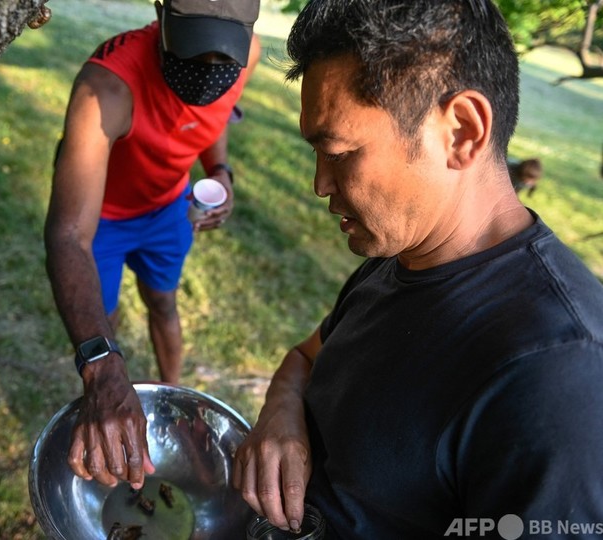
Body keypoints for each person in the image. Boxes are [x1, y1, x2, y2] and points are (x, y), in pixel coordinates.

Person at [233, 1, 603, 538]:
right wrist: (281, 413)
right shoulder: (401, 256)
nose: (320, 185)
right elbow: (305, 358)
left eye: (337, 153)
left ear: (461, 131)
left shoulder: (557, 374)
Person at [44, 0, 260, 489]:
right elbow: (67, 233)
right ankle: (103, 416)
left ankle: (175, 397)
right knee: (107, 322)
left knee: (163, 302)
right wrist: (100, 364)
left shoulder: (244, 52)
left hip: (168, 210)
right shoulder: (107, 87)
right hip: (103, 224)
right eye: (192, 53)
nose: (209, 72)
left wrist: (219, 171)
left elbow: (216, 113)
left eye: (222, 60)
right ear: (160, 13)